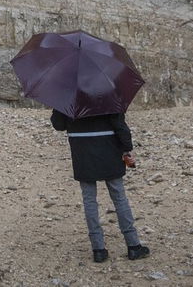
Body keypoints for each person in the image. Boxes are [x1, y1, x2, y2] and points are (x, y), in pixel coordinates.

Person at [51, 109, 149, 263]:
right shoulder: (106, 93)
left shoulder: (69, 96)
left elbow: (58, 124)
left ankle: (98, 250)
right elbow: (119, 125)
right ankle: (133, 246)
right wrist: (127, 148)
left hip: (82, 153)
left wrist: (59, 107)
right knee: (119, 198)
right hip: (109, 150)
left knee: (89, 200)